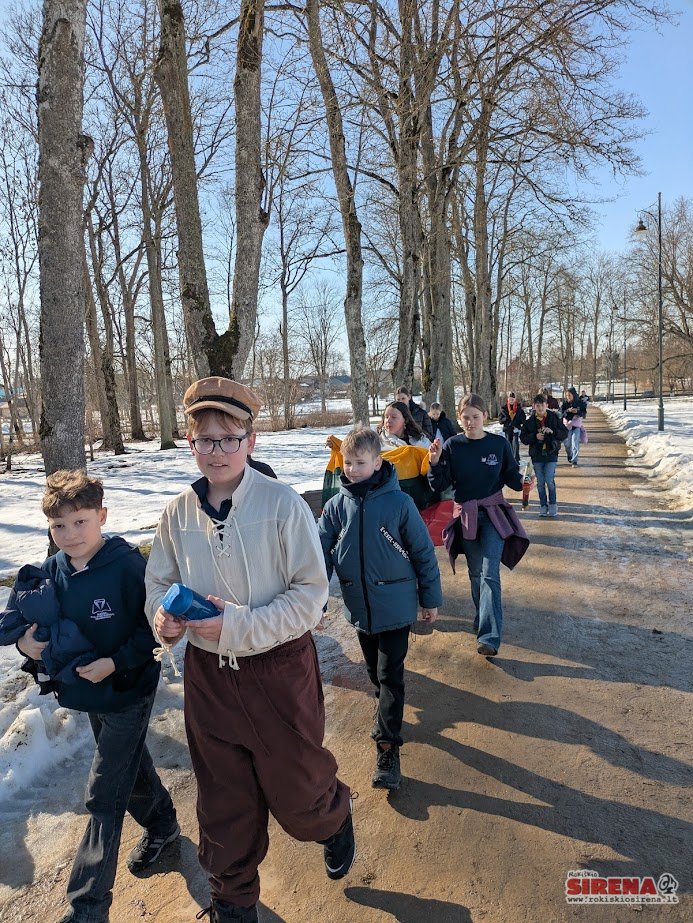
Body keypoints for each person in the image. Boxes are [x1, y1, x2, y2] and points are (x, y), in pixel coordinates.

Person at [145, 377, 354, 923]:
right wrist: (163, 619)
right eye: (204, 440)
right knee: (223, 801)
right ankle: (232, 900)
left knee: (298, 790)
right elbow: (158, 584)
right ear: (190, 443)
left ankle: (332, 818)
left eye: (229, 439)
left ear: (251, 440)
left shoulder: (283, 505)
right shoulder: (176, 514)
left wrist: (236, 625)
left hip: (278, 671)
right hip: (209, 678)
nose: (216, 451)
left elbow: (310, 597)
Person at [3, 470, 178, 923]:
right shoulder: (53, 571)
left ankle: (87, 906)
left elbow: (152, 630)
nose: (70, 534)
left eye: (80, 521)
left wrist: (114, 663)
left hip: (128, 689)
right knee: (127, 766)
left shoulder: (128, 567)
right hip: (88, 694)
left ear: (102, 516)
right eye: (59, 526)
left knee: (104, 793)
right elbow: (29, 623)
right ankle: (163, 824)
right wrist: (26, 645)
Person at [318, 426, 442, 791]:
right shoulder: (336, 506)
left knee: (390, 675)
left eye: (360, 462)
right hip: (359, 606)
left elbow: (422, 552)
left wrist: (430, 598)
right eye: (348, 462)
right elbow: (319, 557)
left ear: (377, 462)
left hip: (396, 606)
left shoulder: (399, 503)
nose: (352, 469)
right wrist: (316, 603)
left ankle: (388, 748)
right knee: (374, 672)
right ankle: (386, 709)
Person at [427, 394, 528, 657]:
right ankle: (482, 615)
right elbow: (440, 485)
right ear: (459, 418)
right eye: (465, 417)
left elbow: (512, 478)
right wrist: (434, 462)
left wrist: (524, 482)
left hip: (494, 515)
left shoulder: (498, 444)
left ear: (484, 415)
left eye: (475, 416)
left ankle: (489, 637)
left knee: (489, 573)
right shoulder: (452, 445)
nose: (470, 422)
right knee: (475, 574)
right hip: (466, 515)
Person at [520, 394, 568, 517]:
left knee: (549, 480)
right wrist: (534, 436)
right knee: (540, 482)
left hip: (551, 454)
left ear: (546, 405)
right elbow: (523, 438)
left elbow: (564, 433)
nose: (540, 408)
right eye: (538, 406)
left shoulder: (554, 418)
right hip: (537, 456)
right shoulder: (530, 422)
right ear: (534, 406)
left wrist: (553, 432)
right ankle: (543, 505)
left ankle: (553, 504)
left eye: (542, 405)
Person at [561, 386, 588, 465]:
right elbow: (561, 413)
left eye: (569, 395)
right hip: (567, 426)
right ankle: (570, 454)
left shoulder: (580, 403)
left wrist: (577, 412)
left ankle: (574, 461)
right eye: (566, 395)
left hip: (576, 426)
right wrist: (568, 410)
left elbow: (584, 413)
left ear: (573, 395)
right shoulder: (565, 404)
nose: (568, 397)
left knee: (575, 442)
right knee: (567, 444)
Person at [497, 391, 526, 463]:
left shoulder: (519, 408)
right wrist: (506, 419)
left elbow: (523, 419)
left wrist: (517, 422)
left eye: (513, 399)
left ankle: (516, 459)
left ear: (515, 399)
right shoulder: (504, 408)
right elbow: (500, 420)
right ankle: (509, 459)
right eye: (510, 399)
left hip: (516, 428)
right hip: (508, 429)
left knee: (515, 443)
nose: (511, 401)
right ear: (508, 399)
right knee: (508, 443)